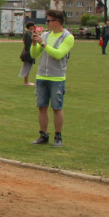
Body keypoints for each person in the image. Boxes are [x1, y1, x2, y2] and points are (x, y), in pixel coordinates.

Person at [30, 10, 75, 147]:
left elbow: (58, 54)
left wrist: (43, 44)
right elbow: (34, 54)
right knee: (42, 107)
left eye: (49, 21)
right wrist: (34, 43)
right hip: (42, 75)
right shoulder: (45, 34)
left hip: (57, 77)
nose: (46, 23)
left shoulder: (67, 37)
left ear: (57, 22)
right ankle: (43, 134)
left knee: (57, 107)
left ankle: (58, 136)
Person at [18, 22, 36, 86]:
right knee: (27, 67)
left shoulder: (29, 33)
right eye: (32, 26)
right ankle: (26, 82)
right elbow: (27, 44)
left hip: (28, 52)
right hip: (28, 53)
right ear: (30, 26)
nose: (33, 27)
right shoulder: (28, 34)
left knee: (28, 67)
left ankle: (26, 81)